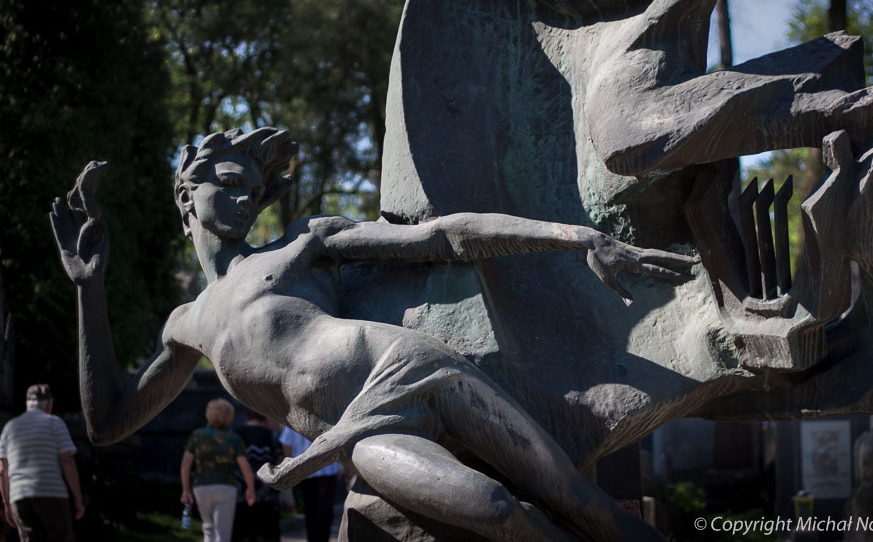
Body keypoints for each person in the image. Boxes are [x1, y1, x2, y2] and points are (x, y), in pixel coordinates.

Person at [50, 128, 696, 541]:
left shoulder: (301, 243)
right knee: (498, 510)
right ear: (185, 198)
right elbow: (106, 422)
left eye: (253, 190)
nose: (246, 200)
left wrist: (576, 236)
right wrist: (89, 287)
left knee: (579, 498)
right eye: (229, 186)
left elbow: (441, 236)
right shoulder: (185, 324)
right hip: (360, 431)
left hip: (410, 365)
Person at [0, 384, 84, 542]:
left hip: (19, 495)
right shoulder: (55, 423)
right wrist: (78, 498)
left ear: (27, 404)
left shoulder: (9, 428)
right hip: (51, 491)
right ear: (49, 404)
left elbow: (3, 470)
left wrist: (6, 504)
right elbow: (67, 462)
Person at [181, 398, 256, 542]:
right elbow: (245, 467)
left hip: (201, 487)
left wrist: (186, 489)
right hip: (225, 487)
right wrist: (250, 489)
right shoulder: (233, 438)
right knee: (222, 533)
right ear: (230, 416)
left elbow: (185, 464)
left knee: (208, 528)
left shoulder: (197, 435)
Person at [279, 427, 343, 542]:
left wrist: (291, 466)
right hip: (327, 469)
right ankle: (322, 538)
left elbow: (286, 443)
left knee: (310, 509)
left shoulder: (292, 421)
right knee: (325, 510)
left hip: (305, 471)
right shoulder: (327, 419)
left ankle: (313, 538)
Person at [233, 410, 281, 542]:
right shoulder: (270, 435)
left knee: (242, 534)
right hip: (267, 493)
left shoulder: (236, 434)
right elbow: (279, 460)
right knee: (269, 534)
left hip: (241, 493)